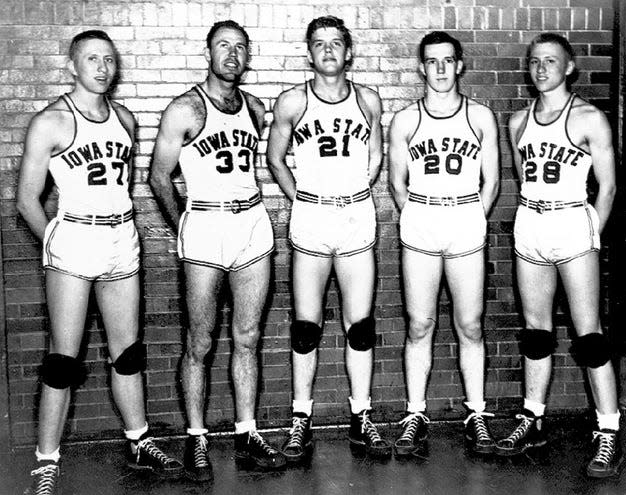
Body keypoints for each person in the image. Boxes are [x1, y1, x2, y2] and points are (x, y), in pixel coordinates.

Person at [16, 30, 184, 495]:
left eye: (109, 59)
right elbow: (27, 199)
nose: (102, 67)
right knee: (62, 361)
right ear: (72, 65)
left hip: (120, 237)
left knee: (127, 353)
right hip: (74, 237)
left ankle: (138, 439)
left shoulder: (125, 120)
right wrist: (55, 241)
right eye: (92, 59)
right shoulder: (50, 122)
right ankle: (46, 462)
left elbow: (121, 185)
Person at [149, 20, 285, 481]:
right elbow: (158, 176)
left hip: (250, 222)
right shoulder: (184, 108)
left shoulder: (256, 107)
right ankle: (196, 439)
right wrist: (183, 224)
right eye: (223, 47)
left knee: (248, 337)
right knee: (200, 342)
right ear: (208, 53)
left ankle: (247, 433)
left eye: (240, 48)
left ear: (248, 56)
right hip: (205, 222)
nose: (232, 55)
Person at [495, 33, 621, 478]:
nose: (541, 68)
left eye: (551, 61)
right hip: (531, 222)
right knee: (536, 334)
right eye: (534, 61)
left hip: (572, 222)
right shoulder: (516, 121)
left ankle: (608, 431)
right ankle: (533, 418)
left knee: (589, 337)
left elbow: (606, 187)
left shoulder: (590, 118)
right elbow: (522, 174)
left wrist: (591, 234)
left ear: (569, 68)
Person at [267, 15, 390, 462]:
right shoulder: (292, 102)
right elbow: (275, 158)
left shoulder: (369, 100)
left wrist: (352, 189)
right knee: (305, 326)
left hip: (355, 214)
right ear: (309, 52)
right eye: (319, 44)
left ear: (349, 51)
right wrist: (304, 197)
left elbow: (376, 156)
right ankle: (302, 418)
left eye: (336, 43)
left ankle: (362, 416)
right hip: (312, 216)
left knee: (360, 326)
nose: (328, 51)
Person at [388, 31, 500, 458]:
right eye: (431, 61)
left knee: (470, 325)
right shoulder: (406, 119)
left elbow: (492, 181)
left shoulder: (480, 117)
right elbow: (397, 182)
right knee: (420, 325)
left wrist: (473, 214)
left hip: (465, 217)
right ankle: (415, 414)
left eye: (447, 60)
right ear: (421, 67)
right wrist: (417, 212)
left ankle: (476, 414)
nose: (439, 69)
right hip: (422, 218)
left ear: (460, 65)